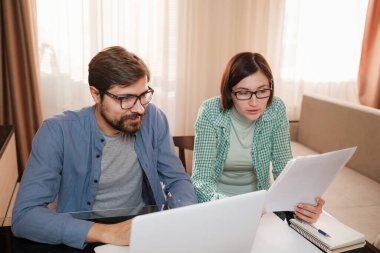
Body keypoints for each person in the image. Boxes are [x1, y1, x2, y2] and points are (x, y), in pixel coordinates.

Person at [12, 46, 198, 249]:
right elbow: (25, 216)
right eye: (125, 98)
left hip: (142, 230)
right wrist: (109, 233)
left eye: (143, 95)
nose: (139, 108)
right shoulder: (57, 131)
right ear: (95, 94)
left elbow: (177, 179)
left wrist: (185, 218)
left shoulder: (154, 118)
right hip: (86, 235)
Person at [191, 52, 324, 223]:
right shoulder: (210, 112)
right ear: (229, 92)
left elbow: (284, 169)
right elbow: (201, 180)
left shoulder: (276, 109)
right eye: (243, 93)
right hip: (218, 205)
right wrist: (235, 207)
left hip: (262, 207)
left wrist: (306, 204)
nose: (254, 102)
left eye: (262, 91)